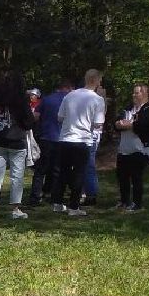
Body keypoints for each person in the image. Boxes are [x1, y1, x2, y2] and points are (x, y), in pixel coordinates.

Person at [52, 68, 105, 217]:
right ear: (96, 81)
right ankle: (74, 206)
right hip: (82, 140)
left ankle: (57, 202)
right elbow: (98, 123)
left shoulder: (70, 95)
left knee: (63, 171)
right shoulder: (97, 99)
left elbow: (60, 117)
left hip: (66, 138)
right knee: (79, 173)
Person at [0, 77, 35, 220]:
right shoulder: (21, 101)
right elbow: (29, 121)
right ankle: (15, 209)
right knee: (17, 177)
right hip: (17, 142)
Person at [115, 82, 149, 211]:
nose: (133, 95)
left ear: (145, 94)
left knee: (136, 176)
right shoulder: (128, 109)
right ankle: (124, 201)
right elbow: (117, 124)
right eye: (133, 92)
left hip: (141, 149)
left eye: (137, 92)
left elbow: (142, 125)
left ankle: (137, 204)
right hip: (124, 148)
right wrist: (122, 124)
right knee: (122, 176)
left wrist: (128, 125)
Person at [29, 80, 70, 205]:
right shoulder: (70, 100)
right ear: (68, 88)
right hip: (62, 138)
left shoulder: (46, 99)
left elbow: (35, 116)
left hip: (46, 137)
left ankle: (35, 197)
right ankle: (55, 197)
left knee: (41, 169)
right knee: (57, 169)